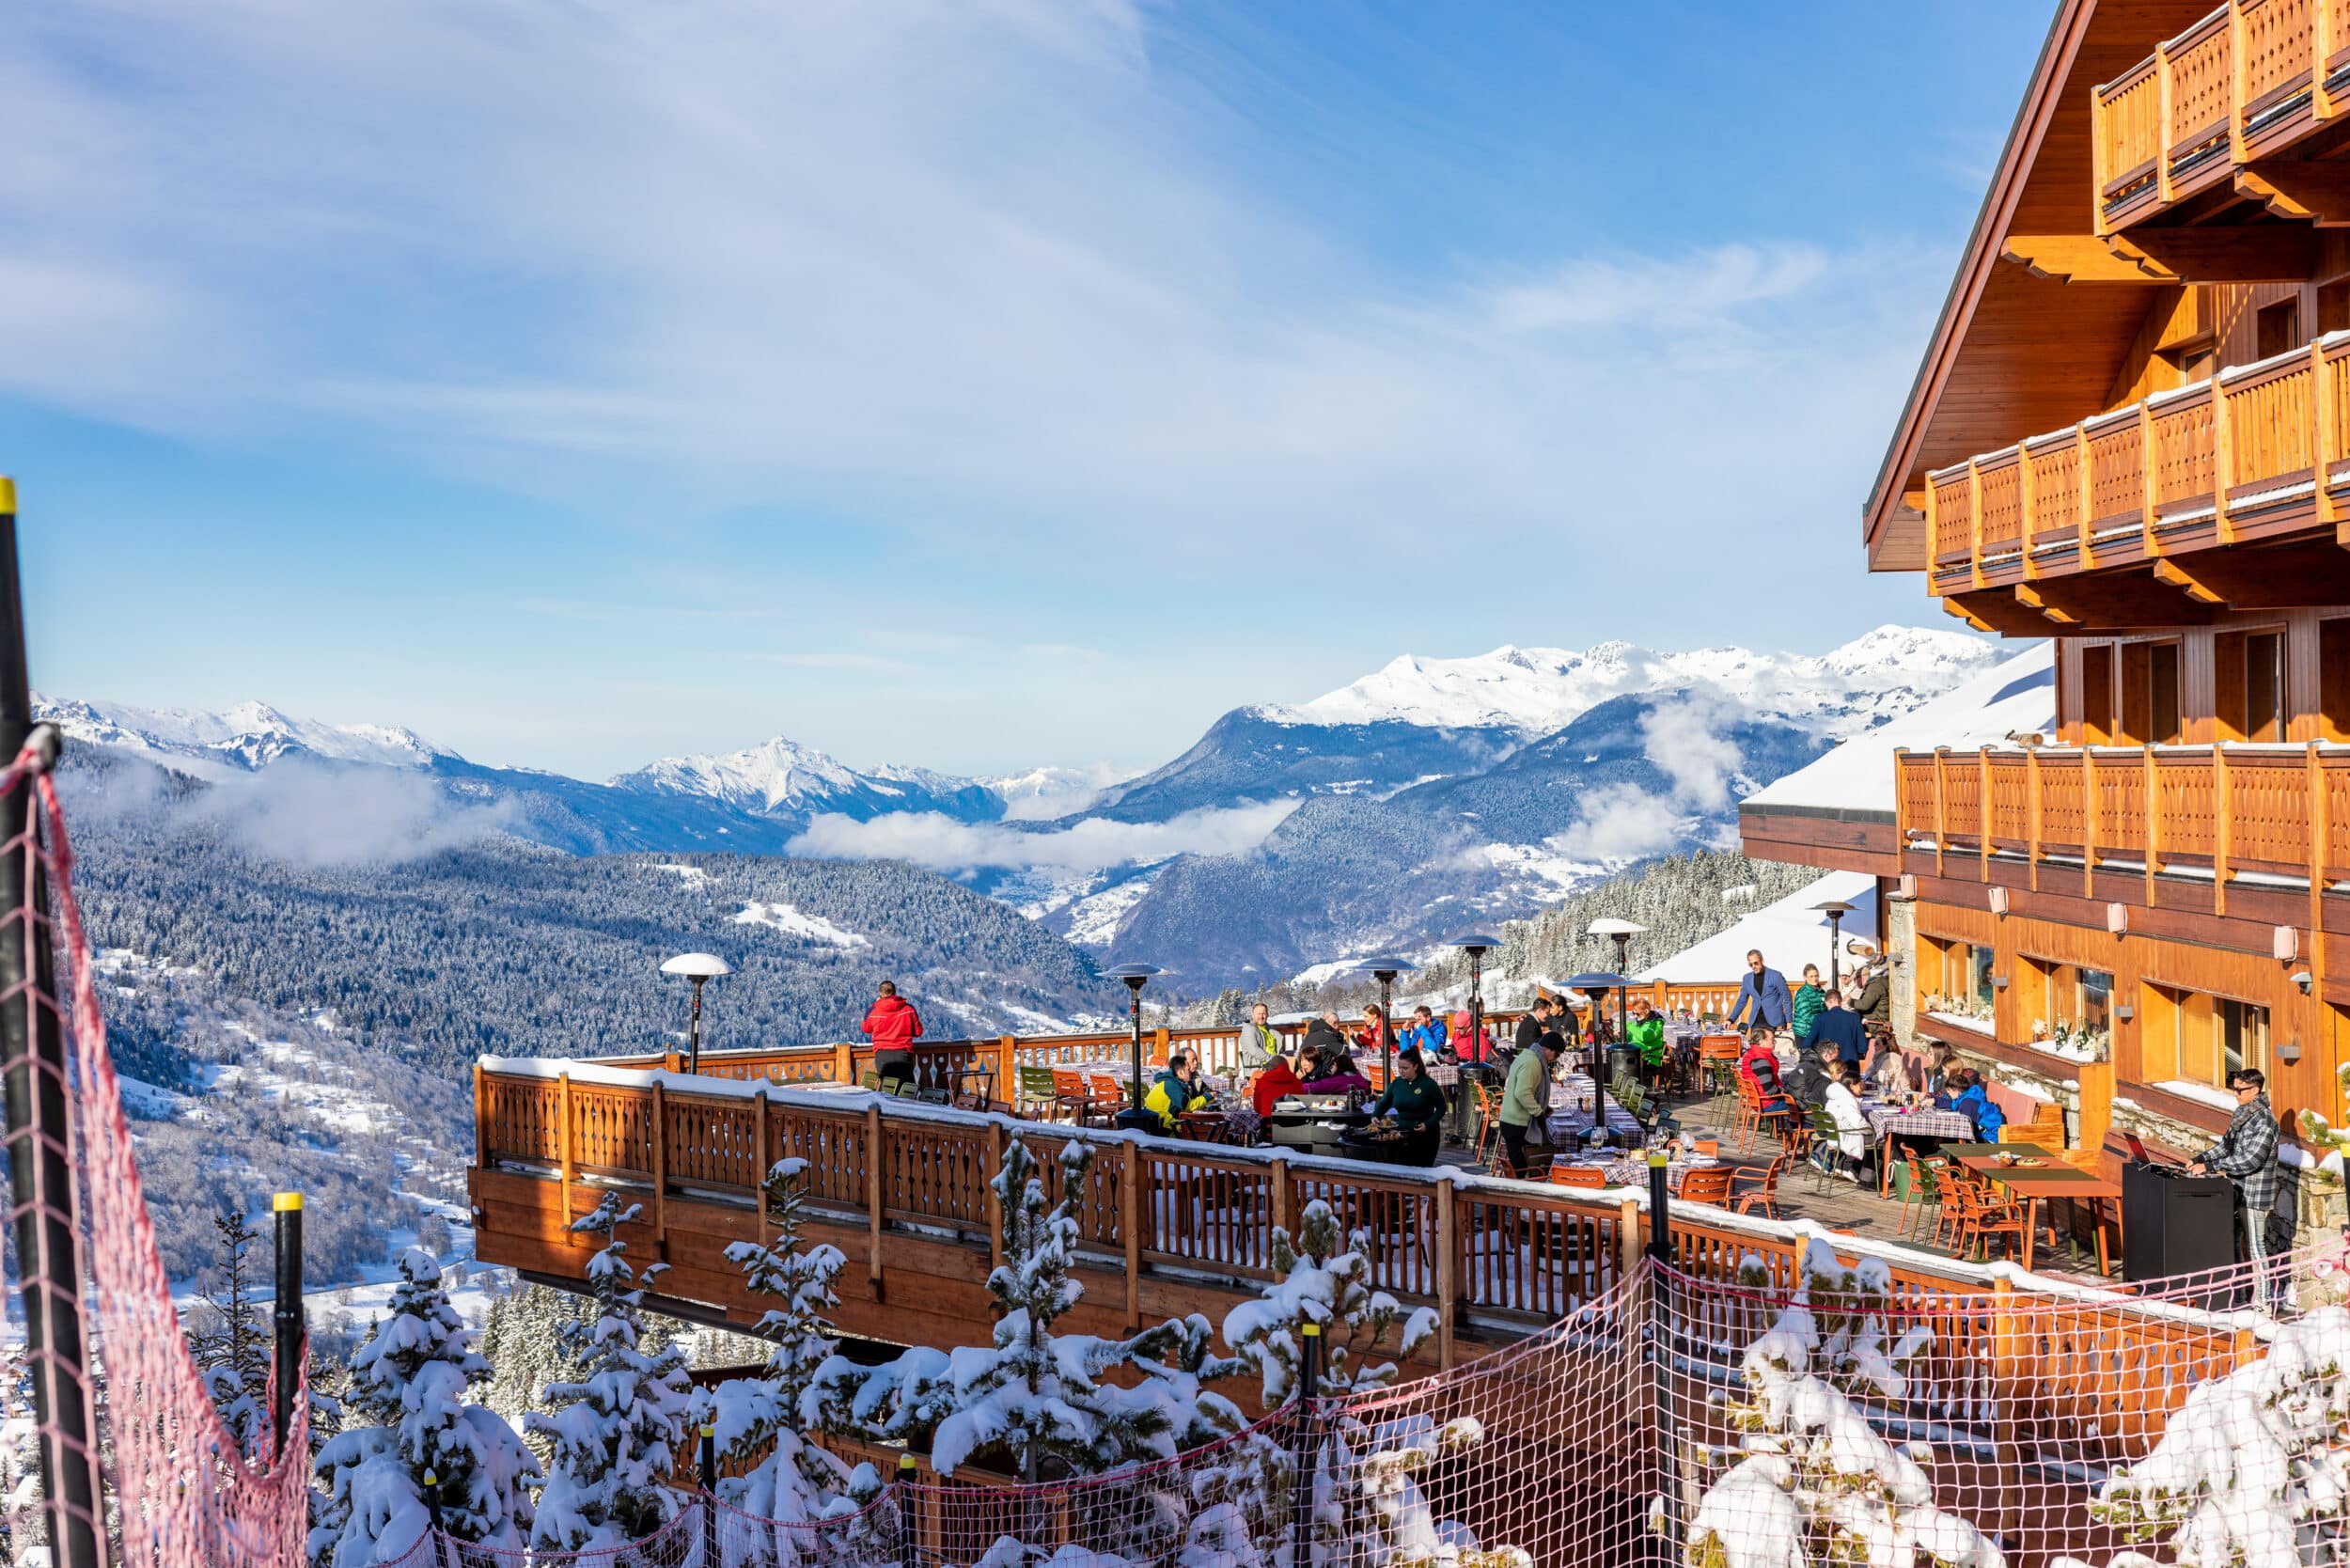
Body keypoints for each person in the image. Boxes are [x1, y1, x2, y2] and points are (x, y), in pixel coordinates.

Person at [2191, 1068, 2283, 1311]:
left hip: (2254, 1194)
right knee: (2233, 1242)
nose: (2236, 1094)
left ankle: (2263, 1302)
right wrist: (2201, 1158)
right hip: (2235, 1190)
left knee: (2256, 1247)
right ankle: (2239, 1295)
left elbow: (2251, 1160)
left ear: (2255, 1090)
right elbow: (2226, 1146)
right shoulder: (2242, 1114)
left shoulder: (2265, 1121)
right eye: (2234, 1089)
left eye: (2240, 1090)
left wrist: (2212, 1166)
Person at [1496, 1029, 1563, 1178]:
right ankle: (1519, 1192)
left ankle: (1517, 1188)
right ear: (1548, 1048)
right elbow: (1522, 1093)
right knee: (1523, 1169)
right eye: (1557, 1054)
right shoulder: (1532, 1062)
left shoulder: (1526, 1056)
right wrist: (1538, 1112)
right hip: (1516, 1123)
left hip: (1511, 1119)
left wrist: (1542, 1108)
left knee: (1520, 1166)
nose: (1555, 1059)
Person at [1371, 1049, 1447, 1166]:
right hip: (1401, 1133)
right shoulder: (1396, 1083)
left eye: (1405, 1068)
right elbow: (1384, 1103)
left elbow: (1441, 1108)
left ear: (1415, 1066)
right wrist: (1375, 1115)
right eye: (1399, 1068)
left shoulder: (1428, 1084)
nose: (1401, 1071)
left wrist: (1428, 1124)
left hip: (1425, 1135)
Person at [861, 980, 923, 1091]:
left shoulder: (873, 1010)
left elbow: (866, 1028)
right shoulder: (908, 1009)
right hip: (903, 1053)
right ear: (894, 992)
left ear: (880, 993)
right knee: (906, 1088)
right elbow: (918, 1031)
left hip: (882, 1054)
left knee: (887, 1088)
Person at [1819, 1064, 1873, 1184]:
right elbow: (1858, 1123)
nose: (1862, 1086)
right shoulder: (1847, 1099)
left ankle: (1843, 1167)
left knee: (1871, 1135)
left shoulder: (1836, 1095)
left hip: (1835, 1134)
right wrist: (1871, 1129)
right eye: (1860, 1083)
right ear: (1851, 1085)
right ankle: (1861, 1175)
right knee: (1880, 1138)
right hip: (1845, 1135)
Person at [1731, 950, 1794, 1042]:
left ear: (1762, 960)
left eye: (1756, 963)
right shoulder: (1747, 978)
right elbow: (1741, 1001)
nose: (1754, 966)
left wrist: (1789, 1021)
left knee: (1769, 1046)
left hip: (1773, 1021)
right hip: (1755, 1021)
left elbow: (1787, 997)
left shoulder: (1776, 976)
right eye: (1751, 964)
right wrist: (1731, 1019)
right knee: (1756, 1047)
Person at [1142, 1052, 1213, 1132]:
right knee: (1206, 1130)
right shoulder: (1171, 1085)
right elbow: (1188, 1106)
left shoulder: (1170, 1081)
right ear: (1181, 1072)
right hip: (1163, 1129)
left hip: (1157, 1124)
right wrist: (1208, 1097)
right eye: (1188, 1070)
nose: (1190, 1072)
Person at [1738, 1026, 1795, 1119]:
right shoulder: (1760, 1060)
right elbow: (1770, 1090)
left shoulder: (1750, 1054)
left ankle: (1790, 1125)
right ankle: (1797, 1126)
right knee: (1802, 1103)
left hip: (1756, 1100)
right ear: (1762, 1042)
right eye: (1772, 1039)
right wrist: (1784, 1091)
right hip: (1766, 1103)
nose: (1774, 1042)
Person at [1945, 1070, 2007, 1142]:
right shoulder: (1967, 1098)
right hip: (1986, 1133)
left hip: (1990, 1138)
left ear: (1956, 1090)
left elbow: (1966, 1129)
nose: (1947, 1093)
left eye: (1949, 1090)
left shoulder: (1967, 1104)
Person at [1812, 989, 1867, 1069]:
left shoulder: (1819, 1019)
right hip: (1850, 1065)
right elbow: (1863, 1047)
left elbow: (1810, 1043)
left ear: (1826, 1003)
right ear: (1841, 1002)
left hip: (1828, 1065)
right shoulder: (1854, 1017)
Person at [1782, 1042, 1835, 1110]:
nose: (1837, 1061)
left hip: (1796, 1102)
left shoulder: (1807, 1063)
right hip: (1804, 1106)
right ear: (1826, 1055)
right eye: (1835, 1057)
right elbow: (1821, 1092)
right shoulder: (1817, 1068)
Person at [1252, 1052, 1306, 1119]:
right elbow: (1302, 1106)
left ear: (1271, 1068)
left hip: (1269, 1122)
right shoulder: (1297, 1082)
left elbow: (1257, 1108)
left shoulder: (1261, 1082)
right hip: (1293, 1122)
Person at [1626, 999, 1667, 1085]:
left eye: (1638, 1014)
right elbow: (1629, 1038)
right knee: (1616, 1061)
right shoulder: (1638, 1022)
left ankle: (1633, 1089)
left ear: (1646, 1011)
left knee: (1624, 1064)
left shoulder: (1656, 1024)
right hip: (1638, 1055)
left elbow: (1645, 1037)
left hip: (1650, 1059)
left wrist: (1628, 1025)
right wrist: (1618, 1036)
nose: (1635, 1016)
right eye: (1634, 1013)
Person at [1235, 1001, 1284, 1071]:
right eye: (1258, 1014)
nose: (1261, 1016)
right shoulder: (1249, 1029)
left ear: (1267, 1015)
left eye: (1263, 1014)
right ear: (1253, 1015)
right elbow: (1255, 1050)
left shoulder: (1269, 1029)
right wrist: (1275, 1059)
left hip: (1274, 1065)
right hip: (1260, 1068)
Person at [1790, 964, 1825, 1050]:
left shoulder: (1822, 992)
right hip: (1804, 1032)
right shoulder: (1802, 994)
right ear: (1805, 977)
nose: (1814, 979)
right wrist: (1824, 1022)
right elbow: (1807, 1016)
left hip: (1817, 1030)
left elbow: (1825, 1009)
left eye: (1816, 976)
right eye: (1811, 976)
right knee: (1807, 1056)